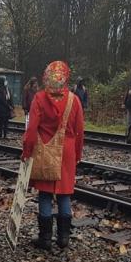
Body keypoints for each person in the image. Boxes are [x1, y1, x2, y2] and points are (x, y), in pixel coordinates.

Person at [22, 61, 84, 251]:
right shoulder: (74, 100)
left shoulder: (39, 99)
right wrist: (77, 154)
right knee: (65, 194)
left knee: (45, 195)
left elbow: (31, 130)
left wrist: (27, 152)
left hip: (46, 151)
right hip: (67, 152)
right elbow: (80, 131)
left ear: (46, 76)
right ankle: (64, 237)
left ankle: (45, 238)